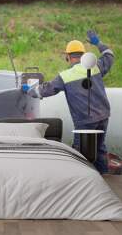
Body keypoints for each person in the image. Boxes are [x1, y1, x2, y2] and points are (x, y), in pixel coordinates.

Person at [25, 31, 114, 174]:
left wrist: (29, 89)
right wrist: (98, 43)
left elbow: (44, 91)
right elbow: (109, 55)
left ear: (68, 57)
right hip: (103, 116)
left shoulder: (65, 76)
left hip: (85, 120)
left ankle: (82, 182)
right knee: (100, 149)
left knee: (80, 153)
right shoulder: (96, 66)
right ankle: (105, 179)